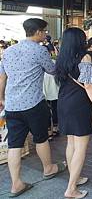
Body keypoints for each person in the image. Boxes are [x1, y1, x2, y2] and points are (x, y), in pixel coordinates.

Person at [0, 18, 65, 197]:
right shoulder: (39, 50)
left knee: (14, 144)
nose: (45, 35)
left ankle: (16, 184)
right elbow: (52, 71)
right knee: (41, 138)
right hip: (33, 104)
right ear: (37, 32)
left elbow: (2, 77)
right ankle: (48, 168)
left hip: (12, 105)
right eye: (44, 32)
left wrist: (1, 98)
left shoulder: (9, 51)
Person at [55, 27, 92, 199]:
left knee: (71, 143)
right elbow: (90, 86)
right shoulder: (85, 57)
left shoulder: (61, 58)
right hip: (79, 104)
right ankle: (71, 189)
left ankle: (74, 179)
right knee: (81, 147)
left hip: (63, 102)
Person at [43, 48, 59, 139]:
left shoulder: (53, 62)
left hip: (49, 91)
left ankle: (53, 130)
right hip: (51, 91)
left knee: (51, 111)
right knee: (51, 111)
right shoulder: (53, 62)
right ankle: (52, 130)